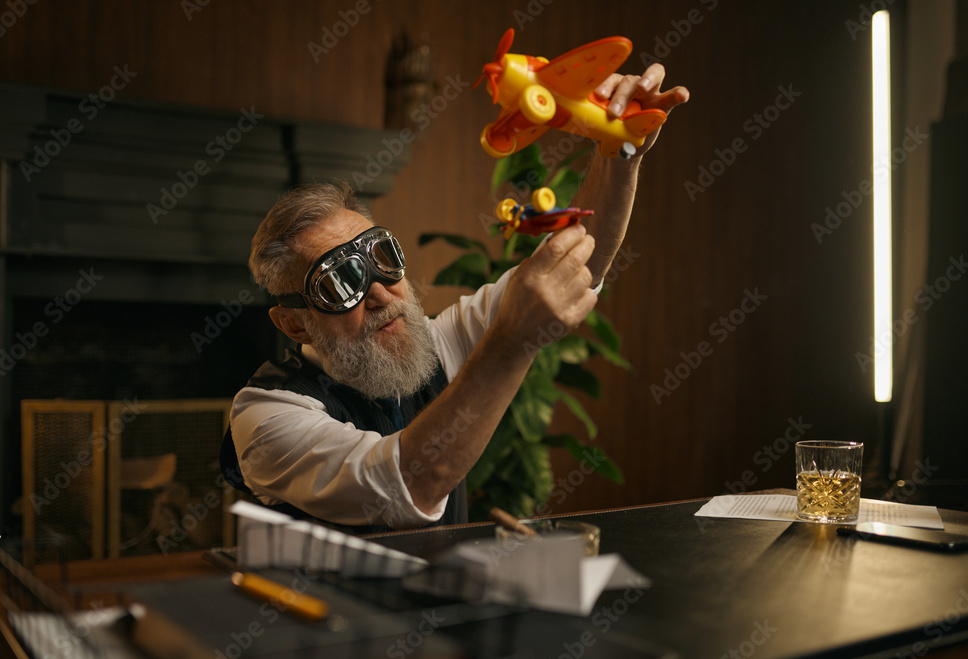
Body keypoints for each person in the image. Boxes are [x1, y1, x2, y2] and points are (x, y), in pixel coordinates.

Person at [221, 64, 689, 533]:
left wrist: (619, 148)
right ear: (294, 324)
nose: (381, 293)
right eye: (341, 282)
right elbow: (412, 482)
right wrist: (512, 343)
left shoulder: (432, 346)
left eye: (384, 257)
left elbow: (575, 267)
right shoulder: (267, 416)